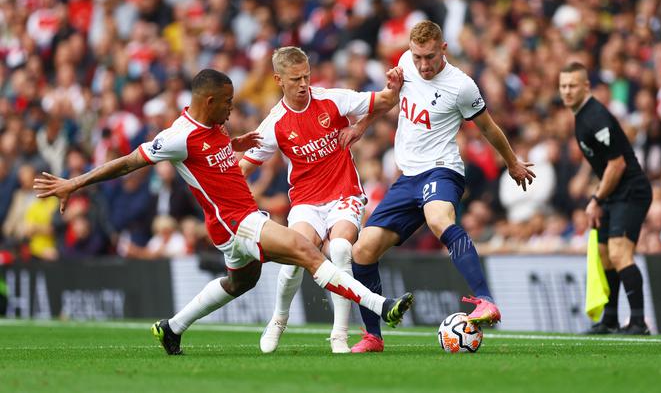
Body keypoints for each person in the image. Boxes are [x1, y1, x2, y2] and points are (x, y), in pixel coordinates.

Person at [33, 68, 415, 355]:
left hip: (231, 225)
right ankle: (381, 305)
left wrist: (235, 143)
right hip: (237, 223)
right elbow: (129, 162)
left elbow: (211, 153)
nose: (233, 107)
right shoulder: (177, 136)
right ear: (210, 101)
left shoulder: (214, 126)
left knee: (240, 284)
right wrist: (74, 183)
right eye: (228, 102)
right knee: (307, 251)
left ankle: (173, 327)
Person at [340, 20, 535, 352]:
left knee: (439, 219)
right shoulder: (405, 63)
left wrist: (512, 161)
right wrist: (362, 126)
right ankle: (373, 336)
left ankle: (485, 301)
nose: (423, 65)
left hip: (442, 171)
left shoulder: (462, 86)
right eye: (418, 57)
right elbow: (389, 100)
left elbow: (488, 128)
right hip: (407, 179)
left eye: (429, 57)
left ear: (443, 49)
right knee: (362, 249)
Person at [239, 47, 402, 353]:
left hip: (345, 193)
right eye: (295, 78)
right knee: (294, 258)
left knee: (340, 249)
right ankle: (278, 320)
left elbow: (385, 100)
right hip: (305, 201)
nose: (303, 84)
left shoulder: (332, 99)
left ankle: (339, 335)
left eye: (306, 76)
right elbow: (243, 168)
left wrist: (387, 93)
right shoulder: (276, 123)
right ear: (278, 80)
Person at [558, 62, 652, 335]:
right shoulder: (581, 115)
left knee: (620, 253)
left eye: (572, 85)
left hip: (631, 190)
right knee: (604, 255)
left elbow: (617, 163)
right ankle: (610, 319)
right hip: (614, 192)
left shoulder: (594, 116)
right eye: (563, 86)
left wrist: (596, 198)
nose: (566, 91)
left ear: (586, 86)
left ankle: (638, 321)